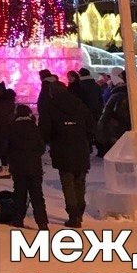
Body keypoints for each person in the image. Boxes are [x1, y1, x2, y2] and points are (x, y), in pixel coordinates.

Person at [39, 80, 95, 227]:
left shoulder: (51, 107)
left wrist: (49, 141)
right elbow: (90, 125)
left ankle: (73, 214)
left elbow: (46, 130)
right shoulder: (79, 104)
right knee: (80, 181)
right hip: (81, 148)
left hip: (62, 148)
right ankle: (79, 210)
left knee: (67, 182)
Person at [0, 103, 48, 230]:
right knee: (37, 195)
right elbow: (42, 148)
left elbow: (5, 147)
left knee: (19, 194)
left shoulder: (12, 128)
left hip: (18, 167)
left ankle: (18, 219)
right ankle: (42, 222)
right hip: (35, 167)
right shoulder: (34, 128)